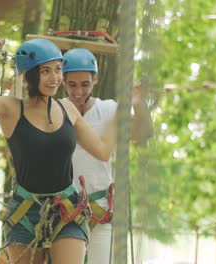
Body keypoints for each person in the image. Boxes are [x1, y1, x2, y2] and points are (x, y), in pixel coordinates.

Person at [0, 38, 118, 264]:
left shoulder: (67, 108)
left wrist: (122, 110)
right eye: (45, 71)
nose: (55, 78)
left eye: (58, 70)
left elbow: (102, 150)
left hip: (66, 210)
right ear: (29, 74)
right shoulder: (10, 107)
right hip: (25, 213)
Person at [61, 48, 154, 264]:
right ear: (63, 81)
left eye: (85, 84)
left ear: (95, 79)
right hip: (63, 211)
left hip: (99, 210)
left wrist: (137, 102)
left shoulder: (109, 110)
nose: (78, 91)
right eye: (72, 84)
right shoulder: (56, 111)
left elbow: (144, 132)